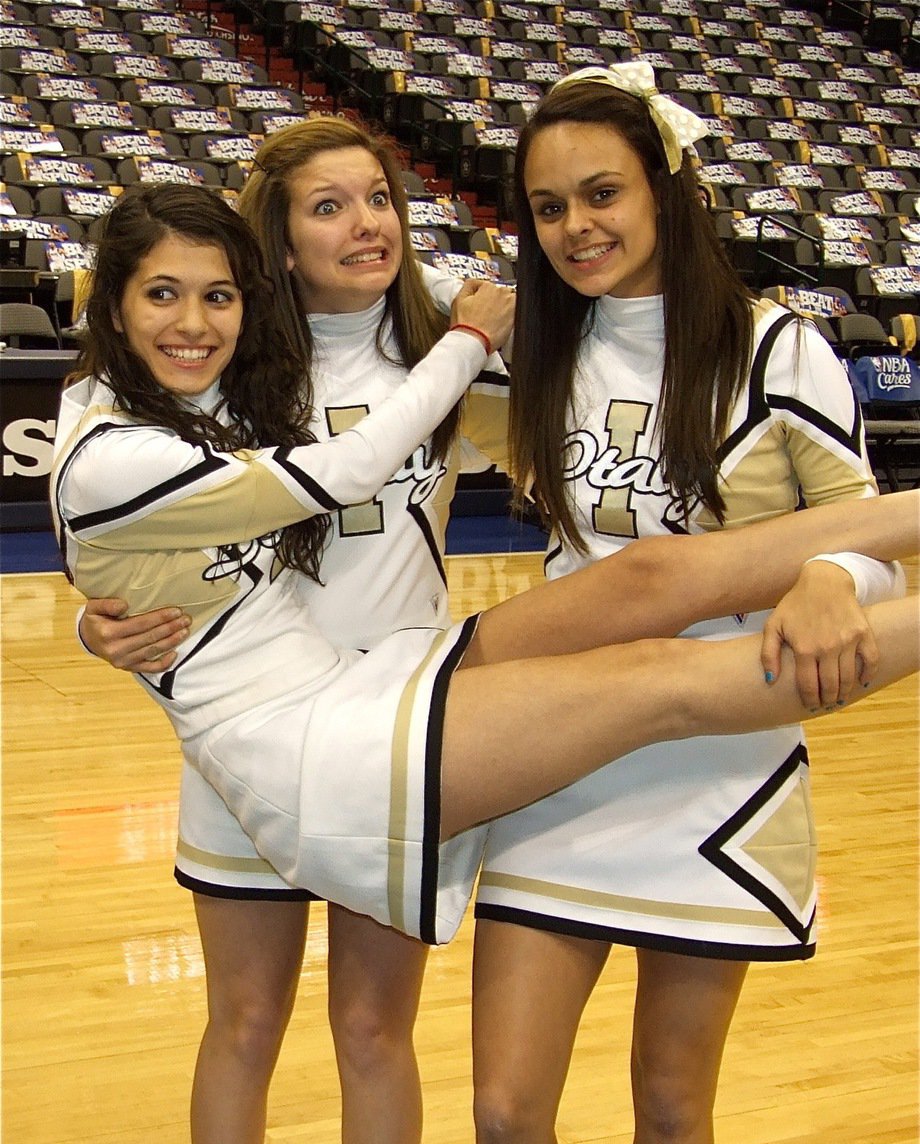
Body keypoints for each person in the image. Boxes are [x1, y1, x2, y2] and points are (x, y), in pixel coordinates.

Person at [52, 185, 918, 933]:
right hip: (297, 748)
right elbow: (343, 468)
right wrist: (466, 337)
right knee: (660, 681)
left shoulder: (226, 392)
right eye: (162, 295)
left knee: (645, 577)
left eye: (380, 202)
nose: (194, 322)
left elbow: (125, 561)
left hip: (375, 673)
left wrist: (104, 618)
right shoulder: (121, 444)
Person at [466, 63, 910, 1144]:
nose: (575, 227)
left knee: (670, 1099)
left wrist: (830, 569)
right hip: (553, 746)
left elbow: (860, 524)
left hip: (716, 747)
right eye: (548, 206)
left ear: (666, 189)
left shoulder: (778, 349)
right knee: (506, 1107)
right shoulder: (526, 348)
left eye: (600, 193)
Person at [70, 117, 509, 1144]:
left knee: (372, 1028)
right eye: (329, 205)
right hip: (255, 737)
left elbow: (581, 473)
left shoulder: (457, 365)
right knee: (245, 1020)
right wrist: (96, 624)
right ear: (280, 236)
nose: (366, 225)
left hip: (397, 725)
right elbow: (119, 522)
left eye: (379, 198)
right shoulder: (222, 368)